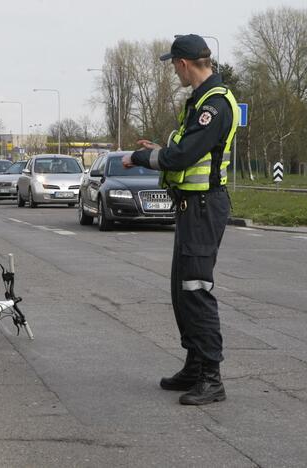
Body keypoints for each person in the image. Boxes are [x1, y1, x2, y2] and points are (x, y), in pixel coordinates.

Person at [122, 34, 238, 406]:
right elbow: (180, 150)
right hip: (191, 207)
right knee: (181, 290)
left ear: (185, 64)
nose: (174, 71)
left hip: (204, 207)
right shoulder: (199, 101)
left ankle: (211, 377)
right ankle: (194, 364)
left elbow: (183, 157)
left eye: (173, 65)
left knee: (196, 289)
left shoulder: (215, 105)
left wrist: (140, 159)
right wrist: (158, 150)